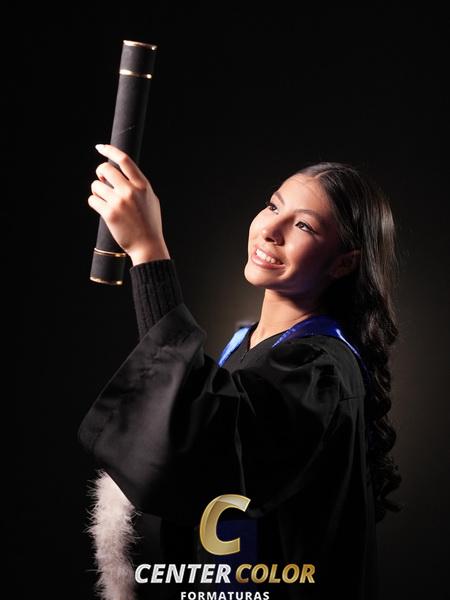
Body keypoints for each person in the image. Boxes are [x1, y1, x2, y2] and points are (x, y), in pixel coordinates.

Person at [79, 144, 402, 600]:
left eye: (304, 226)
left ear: (344, 262)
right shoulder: (248, 345)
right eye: (273, 206)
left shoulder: (323, 371)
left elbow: (201, 445)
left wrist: (148, 252)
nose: (270, 230)